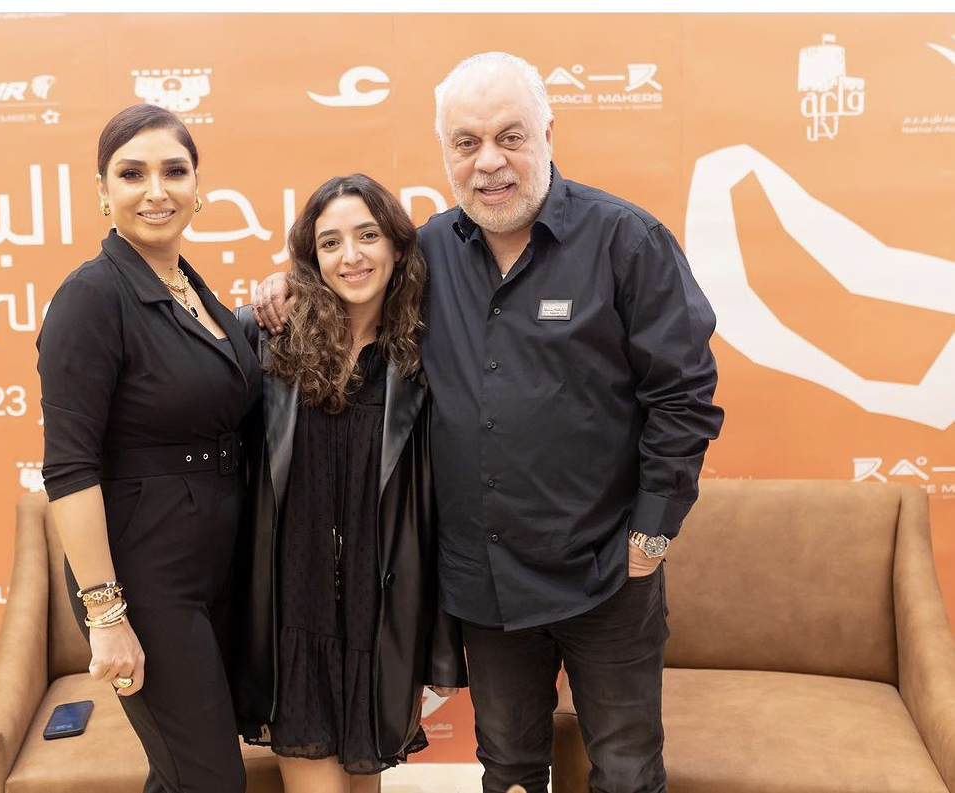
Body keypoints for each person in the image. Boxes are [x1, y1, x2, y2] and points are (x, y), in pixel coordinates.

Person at [252, 52, 725, 793]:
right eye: (466, 143)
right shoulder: (430, 252)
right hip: (488, 584)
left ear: (547, 133)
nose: (489, 162)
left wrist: (651, 534)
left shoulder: (625, 240)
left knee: (627, 770)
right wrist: (289, 282)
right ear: (446, 153)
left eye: (510, 136)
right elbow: (354, 273)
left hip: (608, 572)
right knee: (507, 768)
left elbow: (685, 393)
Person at [37, 103, 261, 793]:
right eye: (132, 173)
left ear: (198, 186)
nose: (156, 190)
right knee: (210, 779)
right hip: (147, 575)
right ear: (103, 191)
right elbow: (69, 468)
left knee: (182, 772)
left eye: (174, 171)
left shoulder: (193, 289)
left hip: (221, 562)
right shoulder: (91, 296)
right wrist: (107, 615)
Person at [233, 174, 467, 793]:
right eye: (330, 242)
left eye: (367, 235)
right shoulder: (269, 339)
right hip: (292, 614)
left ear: (397, 246)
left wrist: (441, 645)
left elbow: (440, 512)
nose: (351, 256)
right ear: (311, 257)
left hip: (378, 616)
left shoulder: (424, 358)